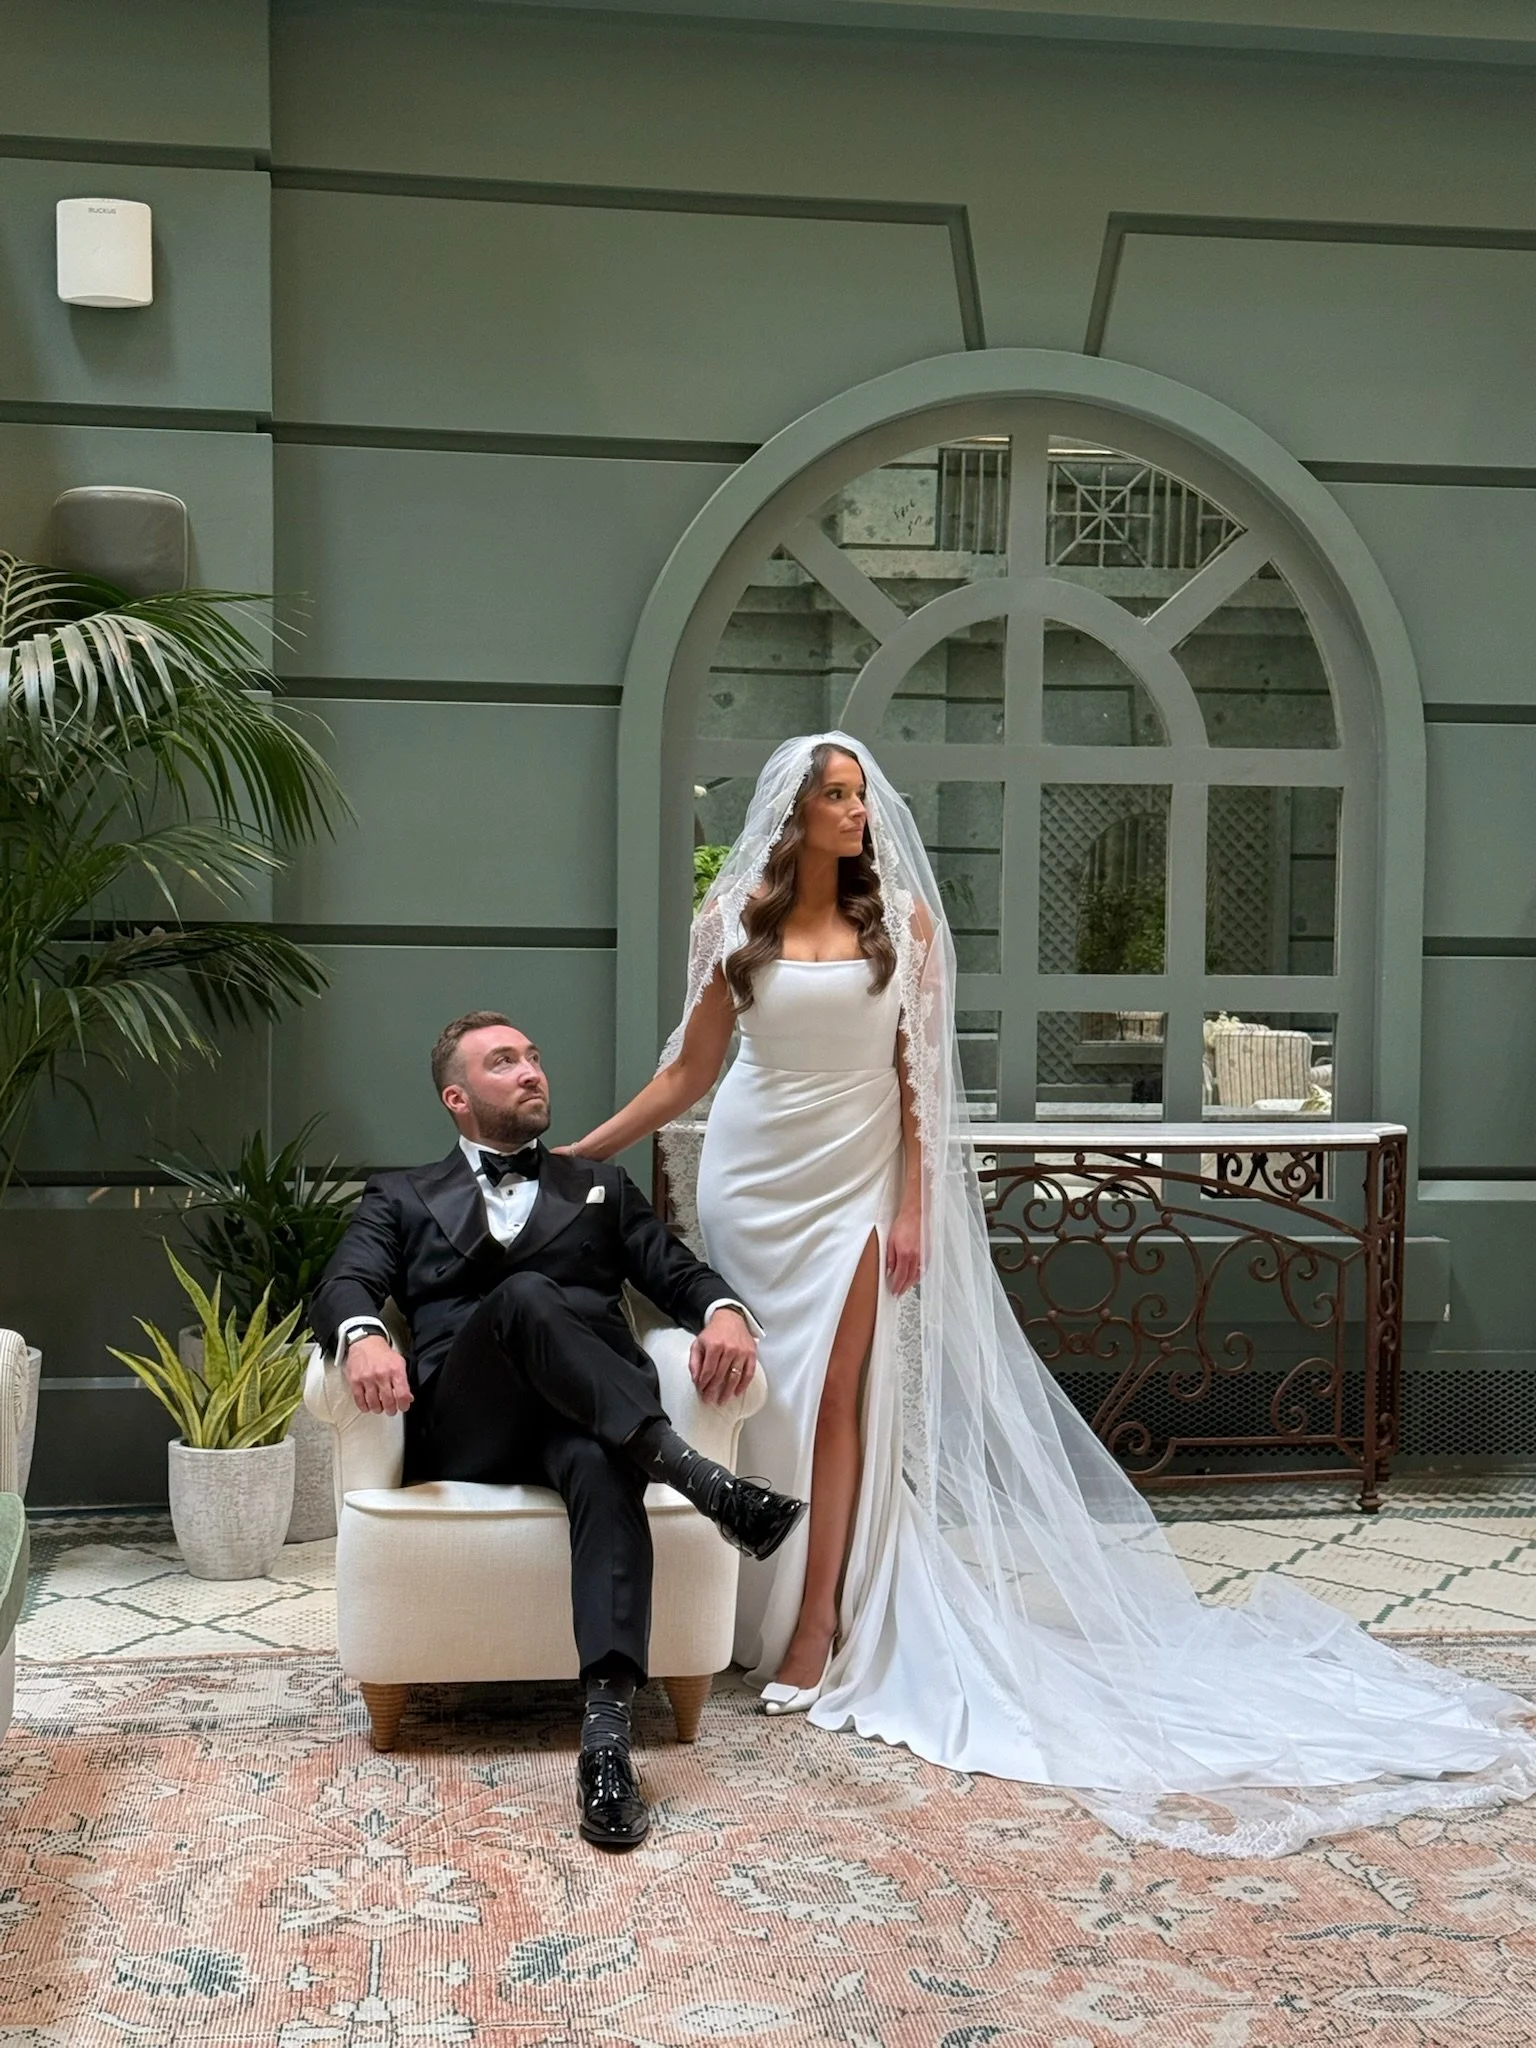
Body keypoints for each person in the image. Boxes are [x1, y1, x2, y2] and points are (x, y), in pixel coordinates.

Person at [567, 732, 1536, 1858]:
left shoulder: (908, 928)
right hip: (752, 1172)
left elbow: (922, 1079)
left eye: (862, 795)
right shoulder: (729, 919)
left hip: (856, 1186)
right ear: (790, 811)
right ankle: (742, 1609)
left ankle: (818, 1621)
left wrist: (920, 1205)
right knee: (768, 1396)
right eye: (835, 796)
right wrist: (584, 1156)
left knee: (842, 1390)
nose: (856, 812)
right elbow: (690, 1073)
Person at [310, 1010, 806, 1853]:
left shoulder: (600, 1189)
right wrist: (361, 1335)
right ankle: (698, 1480)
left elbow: (675, 1270)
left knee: (600, 1456)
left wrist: (723, 1312)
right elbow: (345, 1282)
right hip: (472, 1424)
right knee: (528, 1297)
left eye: (535, 1057)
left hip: (591, 1418)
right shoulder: (398, 1194)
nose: (533, 1071)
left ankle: (607, 1745)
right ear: (457, 1097)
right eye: (505, 1062)